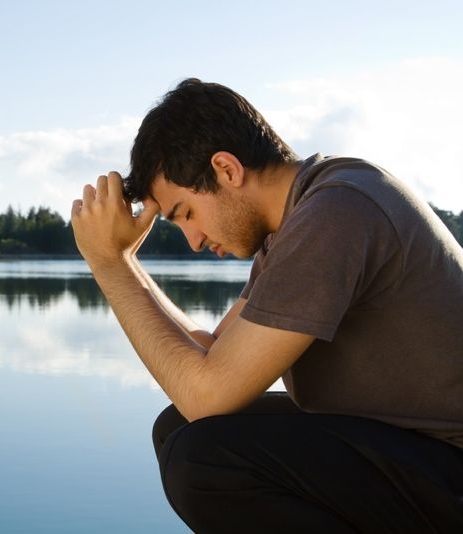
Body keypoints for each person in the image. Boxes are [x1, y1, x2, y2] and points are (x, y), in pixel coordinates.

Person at [70, 78, 463, 532]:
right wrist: (122, 262)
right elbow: (209, 357)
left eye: (186, 214)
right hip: (415, 450)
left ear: (226, 169)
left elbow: (208, 395)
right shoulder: (299, 221)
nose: (193, 241)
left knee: (207, 460)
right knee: (179, 426)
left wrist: (110, 268)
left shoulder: (338, 212)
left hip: (448, 461)